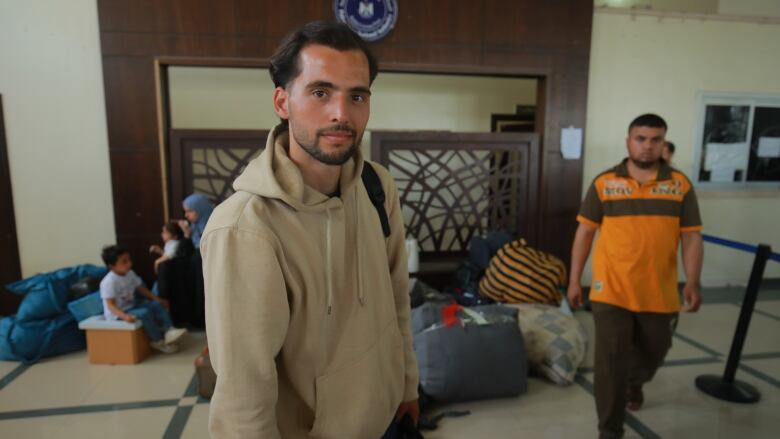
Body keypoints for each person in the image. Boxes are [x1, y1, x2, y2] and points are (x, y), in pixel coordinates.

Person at [201, 21, 419, 438]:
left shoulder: (376, 185)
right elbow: (242, 392)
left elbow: (396, 298)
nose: (341, 113)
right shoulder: (246, 228)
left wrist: (406, 384)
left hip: (389, 418)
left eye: (356, 96)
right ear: (283, 102)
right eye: (320, 92)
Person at [567, 114, 704, 439]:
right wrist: (574, 280)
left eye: (655, 139)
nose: (647, 145)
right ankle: (609, 430)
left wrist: (693, 282)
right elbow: (585, 233)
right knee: (609, 363)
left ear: (664, 143)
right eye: (640, 138)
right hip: (610, 290)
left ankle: (634, 381)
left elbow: (691, 237)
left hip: (659, 291)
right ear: (628, 141)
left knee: (656, 349)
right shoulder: (604, 183)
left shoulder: (679, 185)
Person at [100, 245, 187, 354]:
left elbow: (142, 289)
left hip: (132, 306)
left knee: (156, 305)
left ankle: (169, 330)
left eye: (129, 260)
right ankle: (157, 341)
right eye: (124, 262)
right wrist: (125, 316)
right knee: (144, 313)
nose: (129, 264)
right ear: (112, 266)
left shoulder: (130, 273)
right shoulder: (109, 282)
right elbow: (110, 306)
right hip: (118, 314)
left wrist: (158, 299)